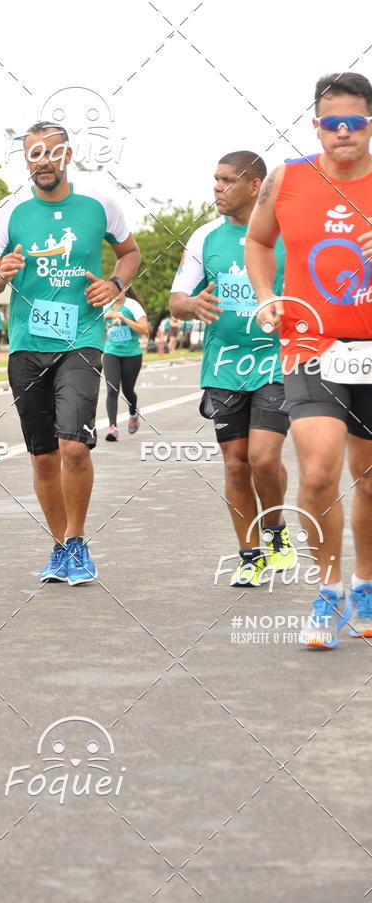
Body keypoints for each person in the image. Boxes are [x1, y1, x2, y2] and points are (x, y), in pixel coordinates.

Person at [0, 120, 140, 585]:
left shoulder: (99, 204)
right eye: (33, 154)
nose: (42, 162)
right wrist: (3, 271)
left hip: (82, 341)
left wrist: (114, 285)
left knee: (73, 445)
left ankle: (77, 541)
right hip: (27, 345)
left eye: (51, 153)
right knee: (44, 456)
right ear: (25, 159)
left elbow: (130, 254)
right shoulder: (10, 211)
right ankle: (57, 548)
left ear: (68, 155)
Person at [245, 72, 372, 648]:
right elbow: (258, 242)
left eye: (355, 122)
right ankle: (329, 590)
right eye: (332, 122)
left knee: (368, 480)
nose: (343, 133)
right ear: (315, 124)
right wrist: (267, 295)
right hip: (309, 346)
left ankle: (366, 585)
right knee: (319, 471)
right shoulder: (287, 179)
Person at [170, 150, 296, 587]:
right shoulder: (204, 237)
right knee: (237, 464)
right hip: (224, 365)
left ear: (254, 185)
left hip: (277, 360)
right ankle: (250, 554)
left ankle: (276, 530)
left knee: (264, 457)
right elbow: (177, 301)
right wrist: (191, 304)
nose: (216, 188)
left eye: (226, 180)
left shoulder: (286, 232)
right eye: (215, 179)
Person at [103, 286, 149, 441]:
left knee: (128, 390)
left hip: (132, 355)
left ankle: (133, 413)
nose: (112, 294)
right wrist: (104, 319)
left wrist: (123, 318)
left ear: (123, 291)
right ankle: (113, 428)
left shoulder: (132, 306)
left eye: (116, 290)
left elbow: (145, 330)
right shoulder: (105, 305)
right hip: (111, 353)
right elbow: (92, 327)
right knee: (112, 389)